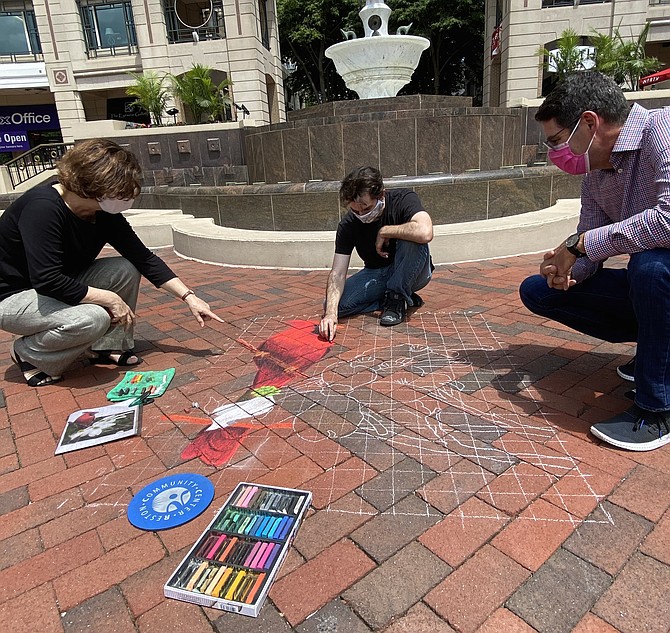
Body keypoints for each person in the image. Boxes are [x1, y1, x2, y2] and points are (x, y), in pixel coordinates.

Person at [519, 71, 670, 452]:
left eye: (557, 141)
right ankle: (658, 351)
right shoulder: (595, 177)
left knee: (650, 266)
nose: (556, 154)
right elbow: (588, 246)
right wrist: (566, 267)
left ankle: (657, 409)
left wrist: (582, 244)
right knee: (538, 291)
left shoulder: (662, 129)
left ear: (589, 122)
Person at [0, 138, 223, 387]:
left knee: (125, 268)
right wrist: (110, 299)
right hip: (14, 296)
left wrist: (189, 297)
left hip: (59, 284)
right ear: (94, 187)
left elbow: (143, 257)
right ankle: (29, 352)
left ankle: (106, 347)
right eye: (121, 192)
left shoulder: (103, 212)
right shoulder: (42, 208)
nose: (127, 198)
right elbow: (47, 279)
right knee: (93, 318)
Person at [319, 166, 433, 341]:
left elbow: (425, 232)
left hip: (414, 269)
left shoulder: (403, 199)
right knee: (333, 304)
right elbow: (338, 272)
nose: (362, 215)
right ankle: (395, 297)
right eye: (355, 210)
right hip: (377, 273)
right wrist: (330, 315)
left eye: (366, 208)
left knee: (413, 237)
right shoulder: (348, 225)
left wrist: (386, 231)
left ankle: (396, 298)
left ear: (381, 195)